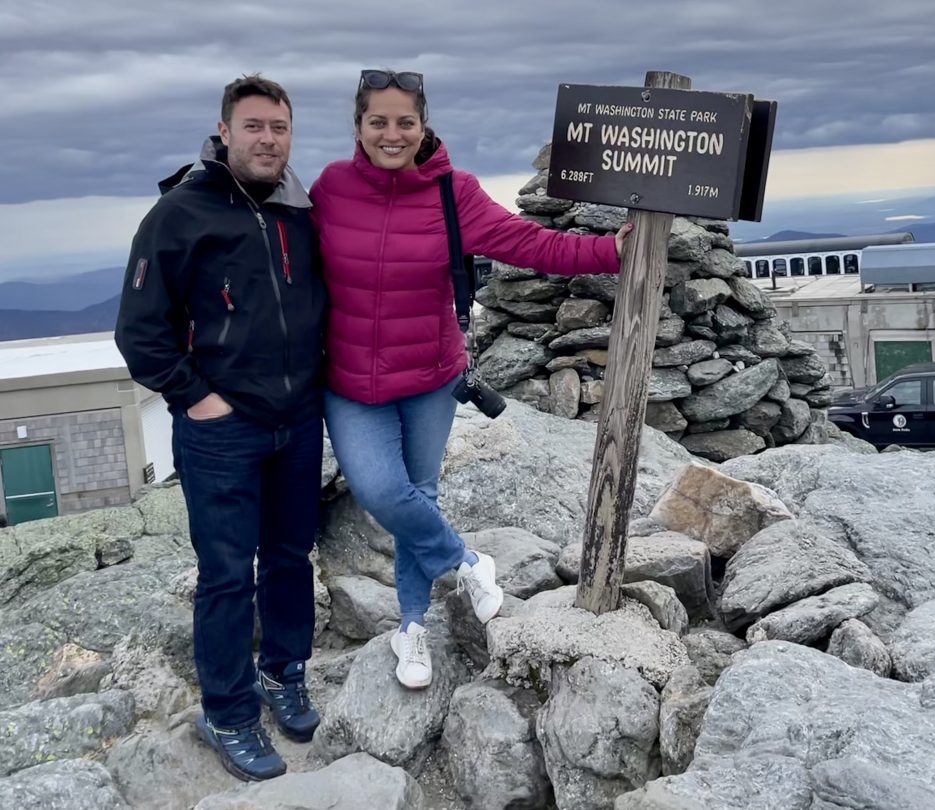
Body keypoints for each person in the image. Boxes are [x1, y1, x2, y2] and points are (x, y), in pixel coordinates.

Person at [309, 69, 630, 690]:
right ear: (358, 128)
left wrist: (608, 251)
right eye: (378, 121)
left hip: (429, 376)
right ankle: (466, 561)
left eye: (405, 121)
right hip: (350, 381)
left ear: (423, 126)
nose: (392, 133)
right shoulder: (332, 189)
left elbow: (529, 243)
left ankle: (411, 627)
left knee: (417, 499)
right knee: (382, 492)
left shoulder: (454, 193)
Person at [115, 75, 326, 782]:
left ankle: (284, 672)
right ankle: (228, 710)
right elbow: (140, 332)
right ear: (225, 131)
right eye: (256, 126)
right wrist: (194, 398)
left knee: (292, 556)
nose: (269, 139)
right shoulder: (180, 213)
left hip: (297, 419)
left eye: (280, 128)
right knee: (229, 575)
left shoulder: (301, 211)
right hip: (221, 430)